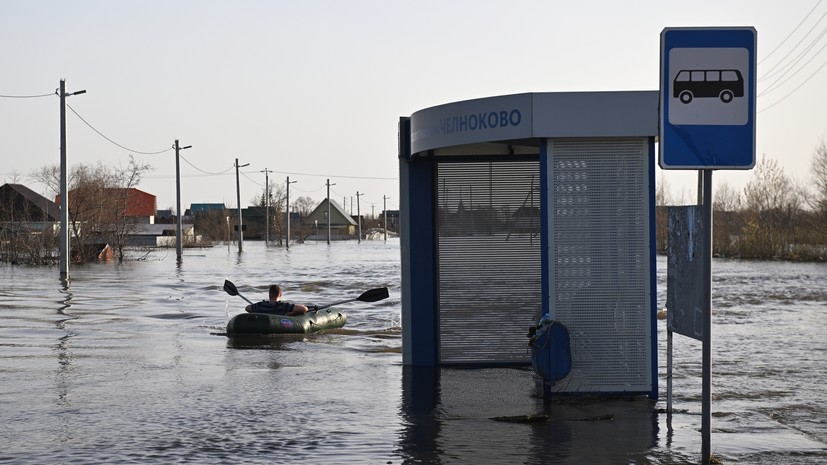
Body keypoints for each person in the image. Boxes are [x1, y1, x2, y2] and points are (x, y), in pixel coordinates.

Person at [245, 284, 313, 316]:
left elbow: (247, 308)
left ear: (269, 295)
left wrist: (256, 310)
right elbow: (304, 309)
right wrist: (292, 313)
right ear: (280, 295)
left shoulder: (261, 305)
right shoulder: (283, 306)